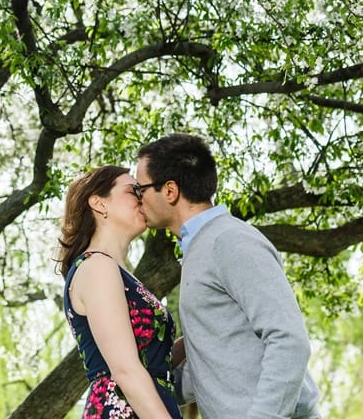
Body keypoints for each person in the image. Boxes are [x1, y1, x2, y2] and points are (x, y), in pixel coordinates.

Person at [136, 133, 321, 419]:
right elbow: (216, 366)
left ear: (170, 191)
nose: (138, 199)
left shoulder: (230, 240)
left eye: (141, 189)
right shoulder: (201, 248)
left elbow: (289, 340)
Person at [57, 165, 182, 418]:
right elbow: (125, 370)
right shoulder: (97, 267)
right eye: (133, 190)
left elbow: (156, 360)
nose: (142, 197)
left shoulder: (115, 272)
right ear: (99, 204)